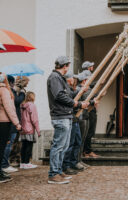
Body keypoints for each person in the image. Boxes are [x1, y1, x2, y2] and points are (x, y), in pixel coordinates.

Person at [47, 56, 89, 184]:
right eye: (68, 66)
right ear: (65, 66)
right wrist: (77, 104)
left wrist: (80, 95)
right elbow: (59, 96)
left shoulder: (60, 79)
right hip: (60, 116)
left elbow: (69, 95)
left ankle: (58, 171)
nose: (68, 68)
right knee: (58, 146)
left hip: (65, 115)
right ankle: (53, 174)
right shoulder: (54, 77)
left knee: (63, 146)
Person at [62, 72, 86, 175]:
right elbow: (71, 101)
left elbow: (74, 96)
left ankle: (73, 162)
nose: (73, 79)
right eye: (72, 78)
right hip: (71, 118)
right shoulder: (66, 88)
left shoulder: (71, 89)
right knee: (70, 143)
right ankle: (66, 165)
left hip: (75, 119)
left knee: (77, 141)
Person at [0, 73, 21, 183]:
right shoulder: (3, 90)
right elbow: (9, 108)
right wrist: (17, 123)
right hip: (3, 122)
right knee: (1, 148)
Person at [19, 92, 41, 169]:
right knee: (29, 146)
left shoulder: (22, 105)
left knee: (23, 146)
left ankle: (22, 163)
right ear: (32, 97)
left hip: (22, 129)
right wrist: (38, 130)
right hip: (29, 128)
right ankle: (27, 162)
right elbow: (34, 119)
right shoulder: (32, 105)